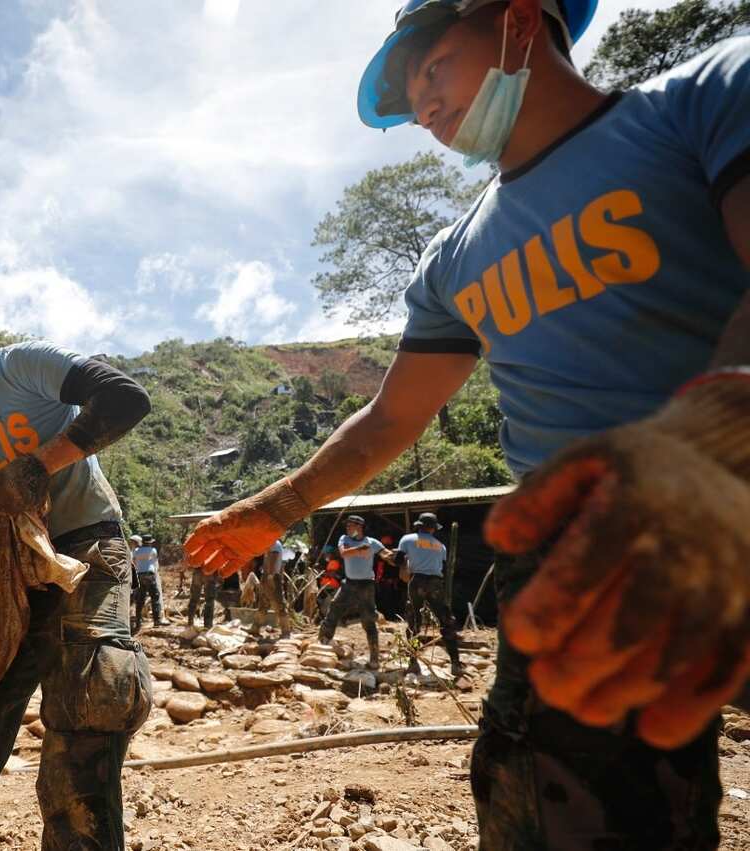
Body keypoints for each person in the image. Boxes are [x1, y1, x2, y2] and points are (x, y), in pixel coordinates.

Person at [187, 3, 750, 846]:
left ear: (521, 20)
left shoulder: (704, 97)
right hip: (568, 566)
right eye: (409, 92)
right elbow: (390, 420)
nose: (421, 105)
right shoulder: (455, 257)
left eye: (433, 66)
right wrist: (274, 510)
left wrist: (712, 433)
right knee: (550, 804)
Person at [0, 268, 152, 849]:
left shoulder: (25, 367)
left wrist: (40, 464)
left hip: (86, 548)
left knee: (87, 711)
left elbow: (124, 398)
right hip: (8, 578)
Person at [317, 516, 394, 668]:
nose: (347, 529)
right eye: (347, 526)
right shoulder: (344, 539)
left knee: (368, 620)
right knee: (334, 609)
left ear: (360, 527)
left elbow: (385, 554)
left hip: (366, 585)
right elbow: (344, 553)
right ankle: (323, 642)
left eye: (350, 526)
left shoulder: (372, 542)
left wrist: (394, 557)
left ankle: (374, 658)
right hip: (349, 583)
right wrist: (360, 549)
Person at [398, 513, 464, 677]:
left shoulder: (407, 539)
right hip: (435, 583)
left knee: (414, 622)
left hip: (416, 581)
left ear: (418, 526)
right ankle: (455, 664)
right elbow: (440, 564)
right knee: (446, 621)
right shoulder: (441, 546)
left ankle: (413, 663)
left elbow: (399, 559)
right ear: (433, 529)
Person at [256, 539, 292, 638]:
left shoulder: (274, 544)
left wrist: (270, 576)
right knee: (263, 603)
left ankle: (285, 630)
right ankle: (255, 627)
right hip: (268, 575)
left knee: (279, 603)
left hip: (272, 576)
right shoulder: (270, 543)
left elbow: (274, 557)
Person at [131, 534, 167, 631]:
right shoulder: (153, 550)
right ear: (150, 542)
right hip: (150, 575)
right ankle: (156, 621)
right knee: (155, 597)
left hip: (139, 575)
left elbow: (133, 561)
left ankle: (138, 622)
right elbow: (155, 563)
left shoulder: (136, 551)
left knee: (140, 599)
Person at [186, 563, 220, 629]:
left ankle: (190, 621)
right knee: (209, 601)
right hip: (210, 570)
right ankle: (207, 625)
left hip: (198, 570)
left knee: (194, 598)